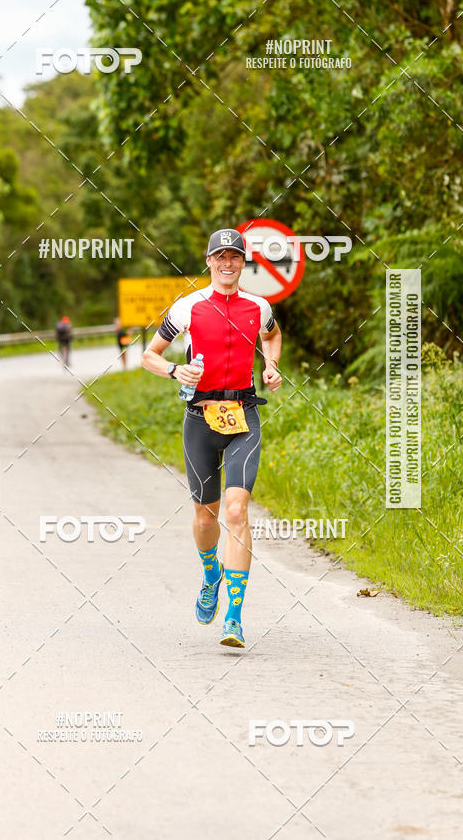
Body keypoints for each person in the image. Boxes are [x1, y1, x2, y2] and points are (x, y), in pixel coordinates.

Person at [141, 228, 282, 648]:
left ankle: (234, 619)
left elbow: (272, 336)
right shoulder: (187, 307)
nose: (227, 262)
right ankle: (210, 574)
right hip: (200, 419)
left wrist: (270, 366)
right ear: (208, 261)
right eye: (219, 256)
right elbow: (150, 354)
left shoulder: (259, 307)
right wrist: (173, 371)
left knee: (236, 511)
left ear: (243, 263)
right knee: (206, 516)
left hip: (244, 416)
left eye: (234, 256)